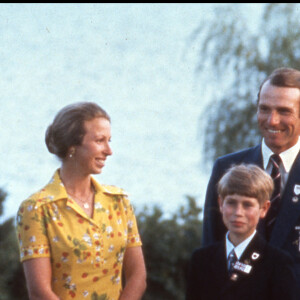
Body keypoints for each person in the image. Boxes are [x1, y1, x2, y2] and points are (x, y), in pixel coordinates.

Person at [16, 102, 146, 300]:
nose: (109, 151)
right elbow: (39, 292)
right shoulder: (37, 209)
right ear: (72, 147)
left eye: (109, 140)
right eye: (100, 141)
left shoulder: (119, 202)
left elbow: (138, 276)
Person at [202, 67, 300, 286]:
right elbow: (211, 252)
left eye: (284, 111)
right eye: (264, 109)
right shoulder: (225, 167)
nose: (272, 120)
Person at [186, 164, 297, 300]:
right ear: (221, 204)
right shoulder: (201, 259)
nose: (238, 213)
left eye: (247, 205)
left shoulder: (278, 263)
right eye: (231, 203)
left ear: (264, 208)